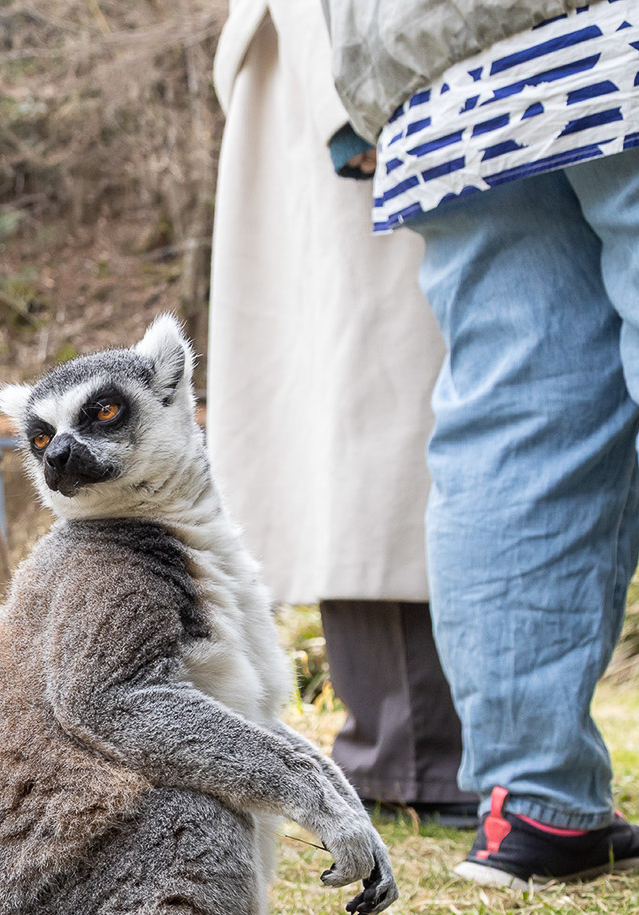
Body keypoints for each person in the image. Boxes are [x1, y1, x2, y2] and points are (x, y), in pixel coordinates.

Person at [325, 0, 639, 887]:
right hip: (623, 44)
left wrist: (357, 104)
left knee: (516, 411)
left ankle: (533, 802)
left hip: (438, 73)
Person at [209, 0, 480, 827]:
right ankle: (414, 753)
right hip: (351, 105)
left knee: (369, 437)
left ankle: (419, 746)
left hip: (340, 92)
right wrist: (347, 111)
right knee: (376, 443)